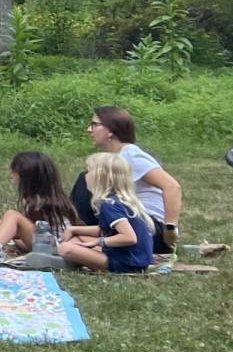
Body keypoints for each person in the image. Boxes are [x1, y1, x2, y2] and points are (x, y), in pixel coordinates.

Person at [75, 106, 181, 254]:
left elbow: (172, 187)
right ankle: (82, 233)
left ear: (111, 130)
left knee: (86, 178)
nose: (89, 129)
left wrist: (170, 229)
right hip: (134, 225)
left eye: (95, 124)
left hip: (150, 230)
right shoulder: (115, 156)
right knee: (90, 178)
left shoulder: (131, 155)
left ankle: (81, 232)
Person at [0, 150, 77, 262]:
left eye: (14, 171)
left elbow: (30, 229)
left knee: (12, 215)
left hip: (54, 247)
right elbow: (25, 230)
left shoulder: (40, 202)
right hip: (48, 244)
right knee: (3, 229)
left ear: (26, 175)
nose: (11, 174)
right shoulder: (43, 199)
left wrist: (1, 230)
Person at [60, 151, 157, 274]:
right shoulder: (120, 200)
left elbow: (129, 237)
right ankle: (77, 258)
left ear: (100, 178)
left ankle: (76, 260)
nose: (86, 176)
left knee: (66, 248)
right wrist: (74, 229)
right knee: (76, 239)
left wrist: (99, 242)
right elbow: (105, 229)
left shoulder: (109, 205)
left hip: (128, 263)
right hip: (135, 258)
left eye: (89, 172)